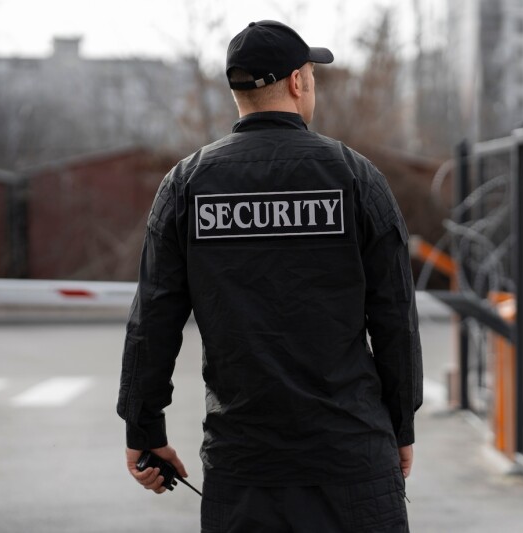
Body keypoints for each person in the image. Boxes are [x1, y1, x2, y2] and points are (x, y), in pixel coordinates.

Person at [118, 20, 423, 533]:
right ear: (299, 82)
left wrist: (143, 428)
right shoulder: (355, 177)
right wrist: (400, 425)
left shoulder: (187, 185)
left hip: (244, 469)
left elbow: (154, 320)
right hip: (351, 459)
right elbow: (394, 316)